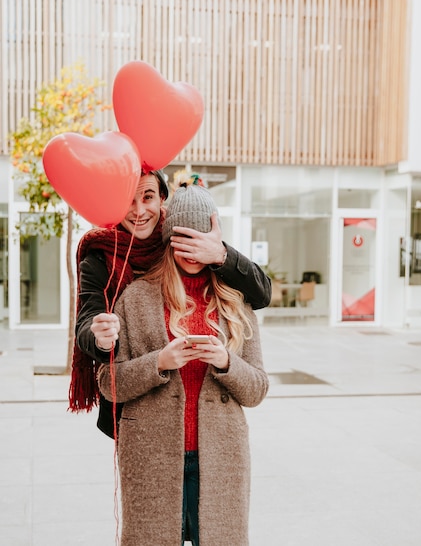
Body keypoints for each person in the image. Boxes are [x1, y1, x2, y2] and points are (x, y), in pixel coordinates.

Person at [97, 183, 269, 546]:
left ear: (213, 239)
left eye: (199, 238)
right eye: (181, 238)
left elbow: (257, 390)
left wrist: (225, 362)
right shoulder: (137, 296)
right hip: (151, 457)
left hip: (221, 459)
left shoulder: (236, 302)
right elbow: (108, 383)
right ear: (168, 237)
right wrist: (158, 362)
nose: (191, 250)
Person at [71, 169, 271, 438]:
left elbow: (261, 293)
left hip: (213, 437)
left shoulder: (188, 230)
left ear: (162, 198)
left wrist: (220, 254)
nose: (139, 210)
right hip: (141, 421)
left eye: (148, 197)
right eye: (129, 200)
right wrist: (100, 337)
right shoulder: (100, 259)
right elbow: (88, 324)